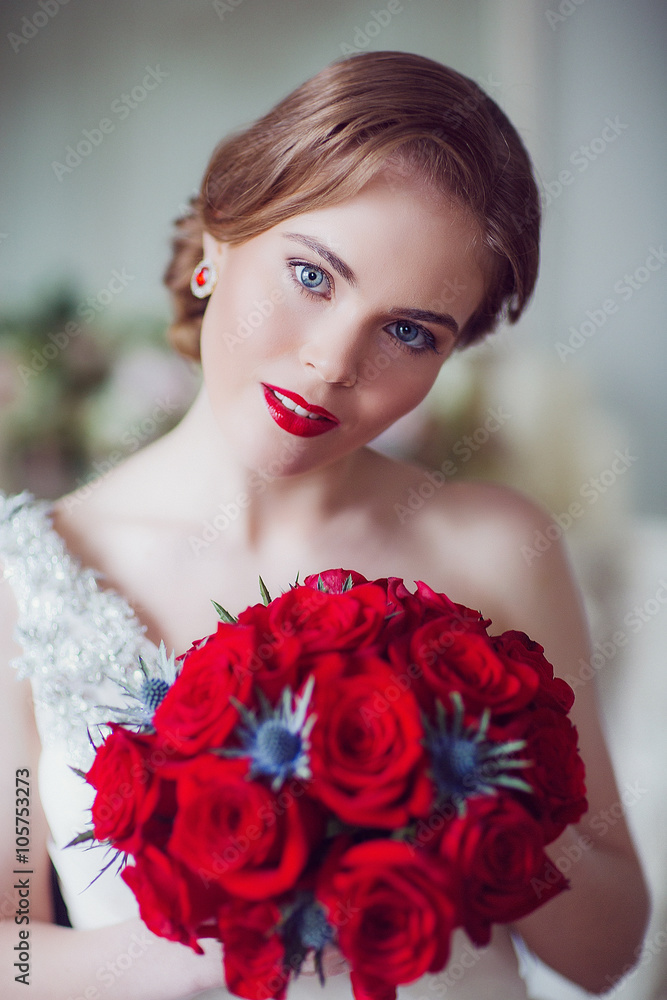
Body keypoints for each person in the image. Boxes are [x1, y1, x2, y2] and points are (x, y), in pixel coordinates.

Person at [0, 50, 649, 999]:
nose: (333, 361)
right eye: (311, 274)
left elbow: (606, 952)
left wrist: (464, 774)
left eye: (410, 331)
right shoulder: (30, 575)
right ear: (220, 241)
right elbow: (11, 948)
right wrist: (206, 946)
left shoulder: (497, 545)